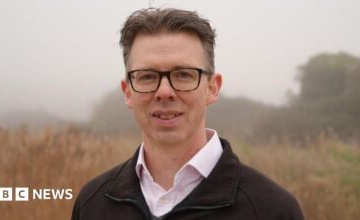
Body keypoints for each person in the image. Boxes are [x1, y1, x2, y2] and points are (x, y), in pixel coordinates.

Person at [71, 8, 304, 220]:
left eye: (183, 74)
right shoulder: (92, 203)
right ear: (128, 92)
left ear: (212, 88)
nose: (164, 92)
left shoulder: (272, 210)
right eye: (147, 76)